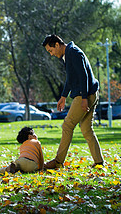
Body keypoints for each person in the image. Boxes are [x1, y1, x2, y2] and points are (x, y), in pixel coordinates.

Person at [42, 34, 104, 169]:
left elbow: (84, 76)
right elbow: (71, 78)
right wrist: (63, 96)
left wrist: (83, 98)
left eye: (51, 51)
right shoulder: (68, 54)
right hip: (91, 93)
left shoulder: (73, 52)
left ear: (57, 45)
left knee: (68, 125)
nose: (51, 54)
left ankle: (58, 162)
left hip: (86, 94)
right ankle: (99, 162)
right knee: (86, 129)